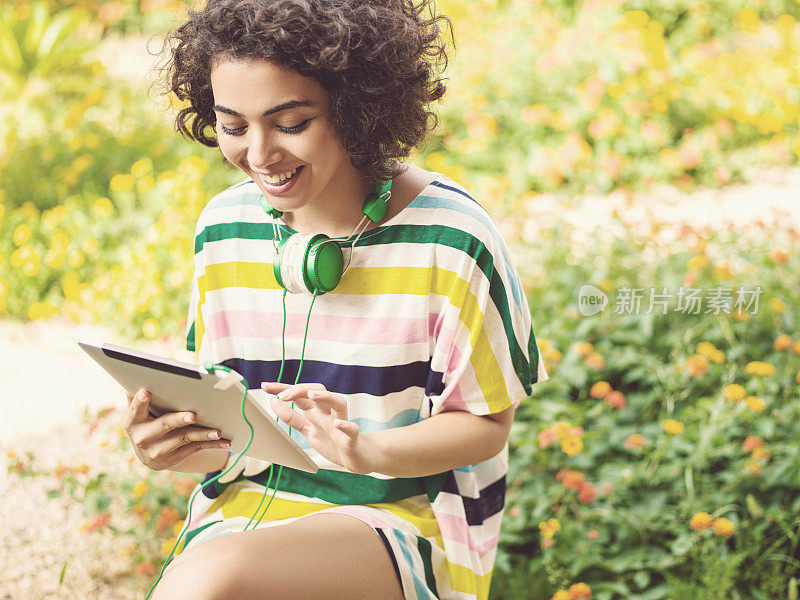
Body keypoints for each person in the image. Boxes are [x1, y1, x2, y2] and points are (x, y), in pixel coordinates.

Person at [122, 0, 547, 598]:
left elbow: (485, 425)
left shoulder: (453, 239)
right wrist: (170, 447)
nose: (261, 156)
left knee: (213, 579)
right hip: (244, 511)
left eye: (291, 123)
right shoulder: (222, 228)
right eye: (235, 126)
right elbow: (228, 437)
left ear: (356, 107)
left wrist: (367, 449)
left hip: (403, 516)